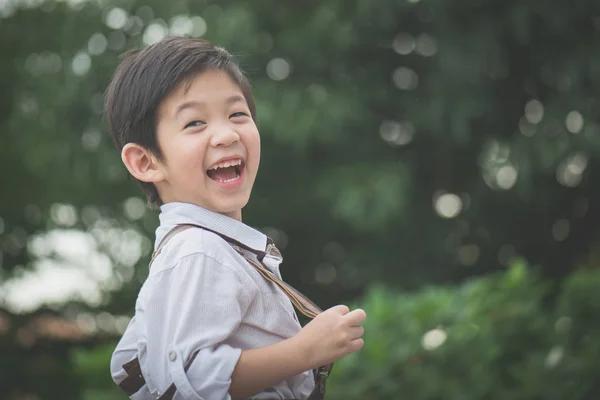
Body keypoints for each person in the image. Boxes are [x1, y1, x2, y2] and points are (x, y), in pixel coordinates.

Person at [104, 36, 366, 400]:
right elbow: (188, 378)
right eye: (195, 123)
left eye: (237, 114)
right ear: (146, 162)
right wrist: (304, 351)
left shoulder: (210, 249)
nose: (226, 134)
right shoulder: (199, 250)